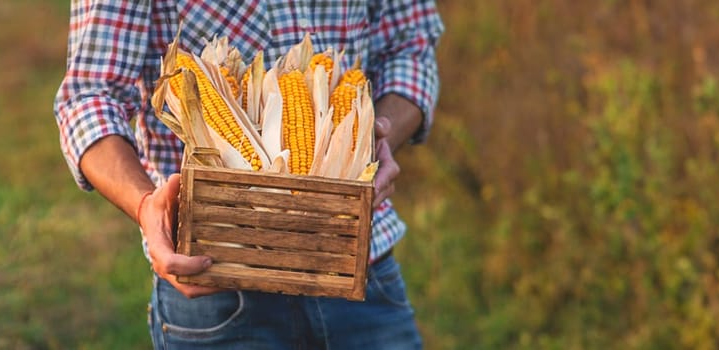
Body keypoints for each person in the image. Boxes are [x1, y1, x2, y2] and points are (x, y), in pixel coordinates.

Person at [53, 1, 442, 348]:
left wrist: (374, 138)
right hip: (216, 283)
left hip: (361, 268)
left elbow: (411, 47)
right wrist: (145, 206)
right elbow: (90, 97)